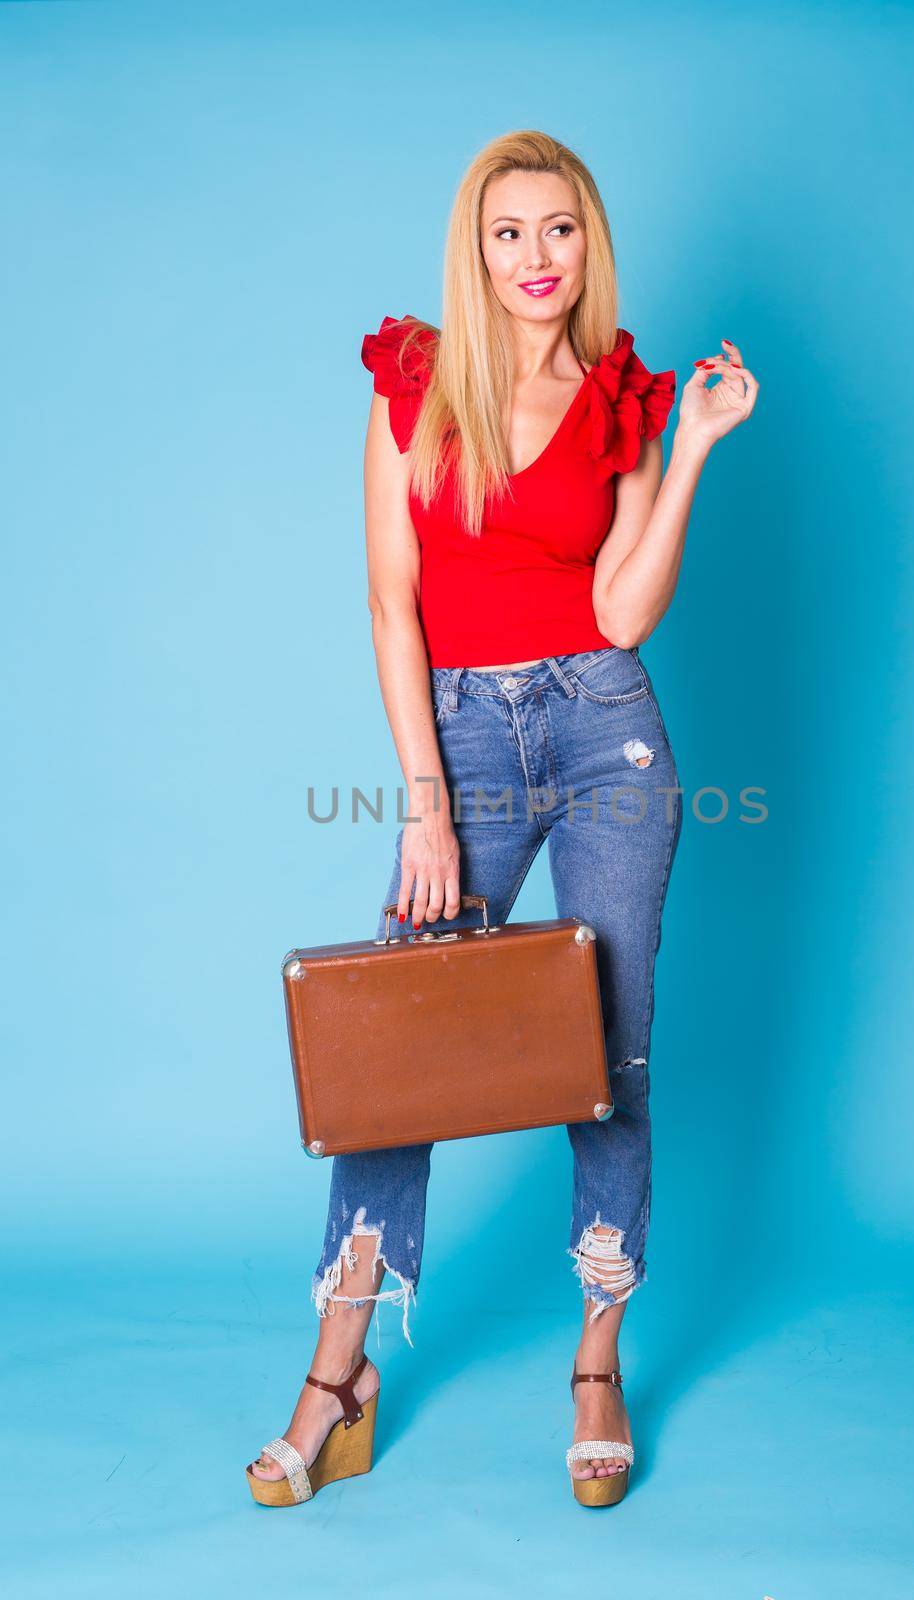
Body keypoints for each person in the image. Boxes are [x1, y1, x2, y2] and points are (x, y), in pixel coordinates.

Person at [247, 128, 758, 1511]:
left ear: (591, 246)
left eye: (563, 231)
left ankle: (598, 1364)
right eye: (509, 232)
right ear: (474, 252)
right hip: (466, 730)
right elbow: (389, 599)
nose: (538, 258)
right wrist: (425, 799)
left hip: (610, 726)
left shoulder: (624, 397)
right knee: (396, 1037)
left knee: (611, 1044)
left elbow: (622, 612)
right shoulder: (415, 381)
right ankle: (339, 1370)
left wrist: (692, 445)